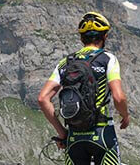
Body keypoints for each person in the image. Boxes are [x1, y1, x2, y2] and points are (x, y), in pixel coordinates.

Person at [37, 11, 130, 165]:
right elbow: (119, 97)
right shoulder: (108, 59)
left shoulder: (66, 63)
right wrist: (125, 115)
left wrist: (62, 133)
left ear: (81, 38)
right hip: (102, 133)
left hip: (74, 137)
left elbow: (42, 99)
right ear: (105, 36)